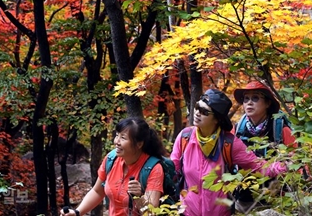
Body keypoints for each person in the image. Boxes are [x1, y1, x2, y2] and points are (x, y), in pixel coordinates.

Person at [171, 88, 287, 216]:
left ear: (216, 119)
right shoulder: (184, 137)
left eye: (204, 112)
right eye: (197, 107)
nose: (197, 113)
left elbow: (258, 166)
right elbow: (173, 170)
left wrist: (287, 166)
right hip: (188, 212)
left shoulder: (229, 143)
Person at [60, 117, 166, 216]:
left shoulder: (153, 169)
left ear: (139, 144)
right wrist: (77, 212)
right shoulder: (112, 158)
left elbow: (152, 213)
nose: (116, 142)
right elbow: (97, 191)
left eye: (123, 138)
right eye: (116, 135)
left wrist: (139, 197)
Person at [232, 80, 295, 212]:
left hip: (277, 198)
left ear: (267, 103)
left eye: (255, 98)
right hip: (244, 198)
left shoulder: (280, 129)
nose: (249, 102)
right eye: (246, 99)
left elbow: (296, 162)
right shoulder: (237, 130)